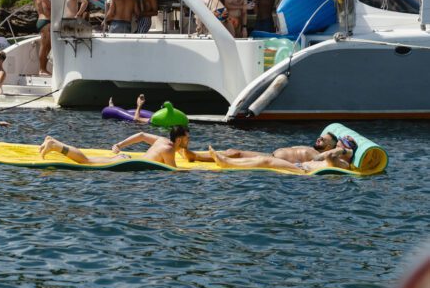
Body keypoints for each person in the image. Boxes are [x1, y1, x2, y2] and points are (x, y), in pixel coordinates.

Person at [38, 125, 196, 167]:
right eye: (187, 138)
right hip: (126, 162)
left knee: (88, 160)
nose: (189, 141)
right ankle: (55, 145)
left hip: (126, 158)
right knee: (86, 161)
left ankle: (52, 141)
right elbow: (173, 171)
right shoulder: (168, 149)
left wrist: (119, 144)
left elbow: (141, 135)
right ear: (180, 139)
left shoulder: (162, 140)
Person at [209, 134, 359, 173]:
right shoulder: (336, 157)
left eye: (344, 142)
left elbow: (331, 156)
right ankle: (226, 160)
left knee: (266, 162)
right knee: (264, 160)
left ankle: (227, 163)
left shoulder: (343, 163)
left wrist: (344, 151)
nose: (340, 143)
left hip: (302, 170)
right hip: (300, 166)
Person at [193, 131, 340, 164]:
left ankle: (196, 157)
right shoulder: (309, 148)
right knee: (233, 151)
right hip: (271, 155)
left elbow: (322, 159)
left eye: (322, 140)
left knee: (236, 154)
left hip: (272, 160)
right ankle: (195, 155)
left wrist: (339, 149)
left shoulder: (316, 155)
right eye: (320, 137)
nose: (318, 139)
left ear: (328, 146)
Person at [33, 0, 52, 76]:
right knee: (44, 46)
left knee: (47, 46)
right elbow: (47, 12)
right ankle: (42, 69)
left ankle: (44, 69)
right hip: (45, 22)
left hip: (41, 21)